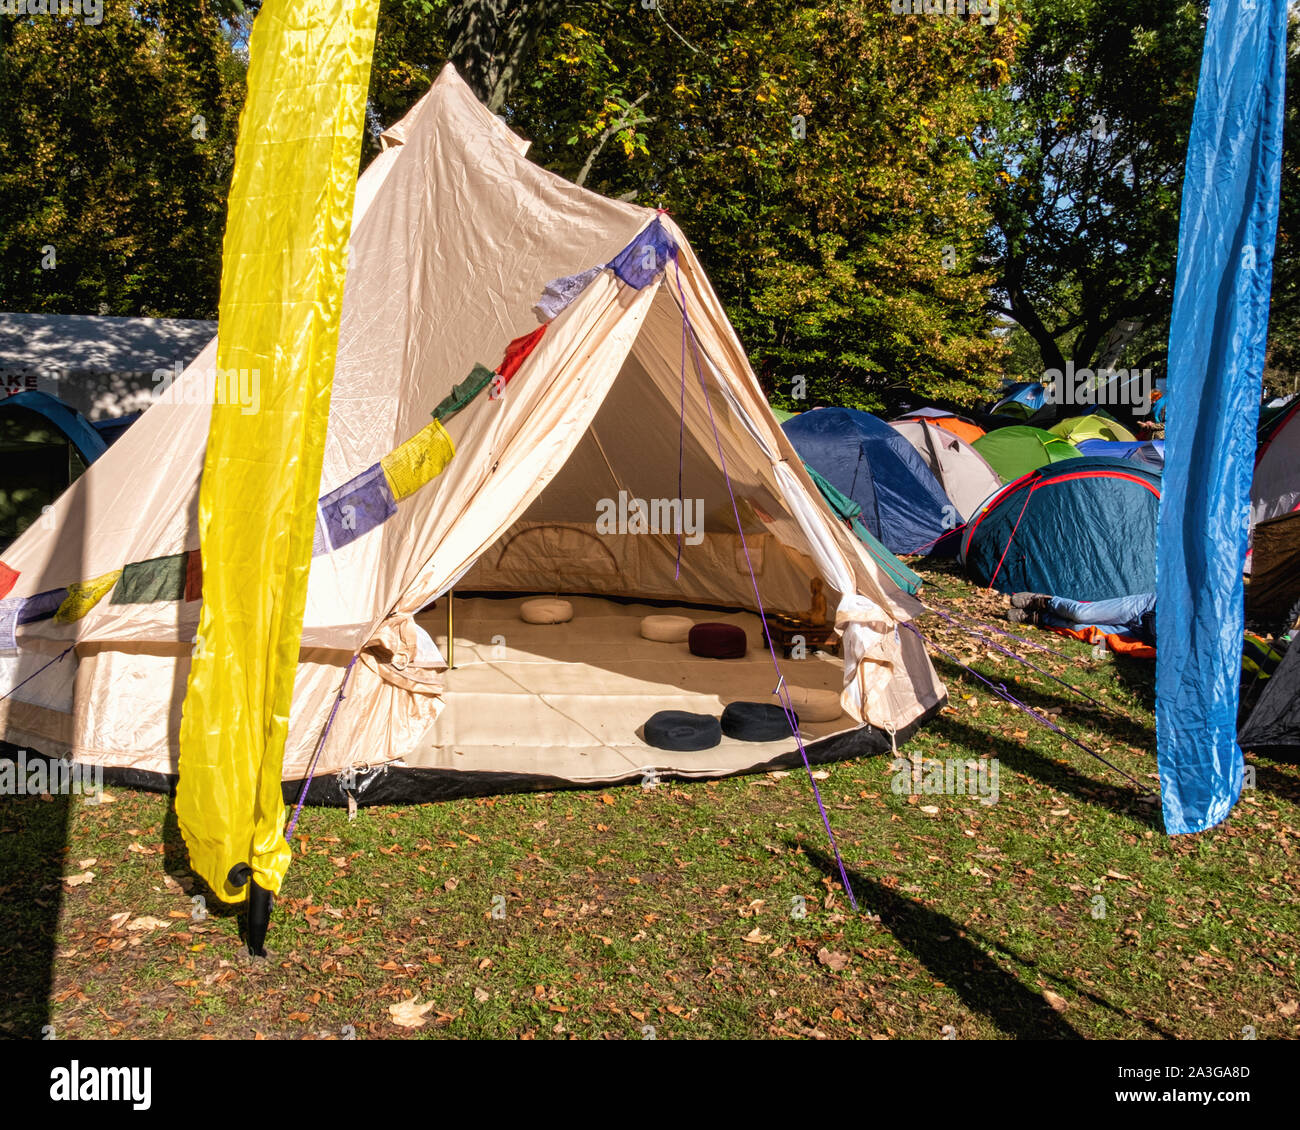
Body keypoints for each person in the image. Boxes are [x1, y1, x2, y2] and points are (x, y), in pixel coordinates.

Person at [1006, 591, 1156, 646]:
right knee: (1082, 614)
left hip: (1144, 635)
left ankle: (1039, 618)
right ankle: (1045, 602)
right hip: (1147, 608)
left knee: (1080, 628)